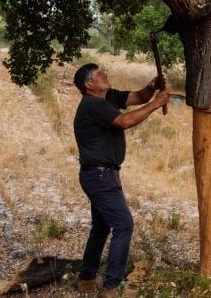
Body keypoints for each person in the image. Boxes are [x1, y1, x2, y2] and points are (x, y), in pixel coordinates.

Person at [72, 63, 170, 298]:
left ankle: (86, 278)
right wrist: (155, 104)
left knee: (101, 227)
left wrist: (151, 88)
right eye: (99, 75)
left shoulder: (109, 97)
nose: (104, 75)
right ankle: (111, 288)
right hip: (100, 175)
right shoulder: (93, 105)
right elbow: (124, 121)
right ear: (89, 85)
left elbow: (137, 96)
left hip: (99, 174)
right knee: (123, 225)